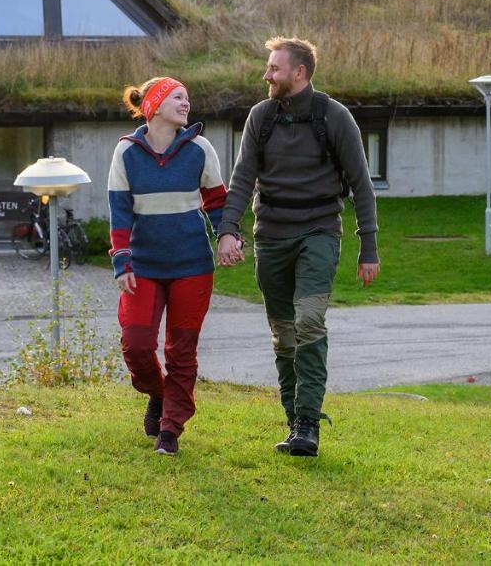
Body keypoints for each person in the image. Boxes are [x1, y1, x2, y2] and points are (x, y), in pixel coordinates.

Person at [216, 37, 380, 458]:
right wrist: (228, 230)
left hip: (319, 232)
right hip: (271, 235)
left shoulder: (334, 117)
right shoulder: (261, 117)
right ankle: (294, 422)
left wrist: (368, 247)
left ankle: (308, 423)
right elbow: (242, 178)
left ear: (299, 73)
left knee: (309, 321)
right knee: (284, 335)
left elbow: (362, 184)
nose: (266, 75)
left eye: (274, 68)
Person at [108, 76, 228, 456]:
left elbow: (216, 200)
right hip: (142, 265)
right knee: (136, 343)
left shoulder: (200, 148)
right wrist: (121, 258)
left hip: (192, 265)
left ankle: (170, 430)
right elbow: (119, 209)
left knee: (181, 350)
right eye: (177, 97)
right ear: (155, 105)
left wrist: (228, 235)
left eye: (188, 98)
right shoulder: (126, 152)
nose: (186, 103)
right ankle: (159, 394)